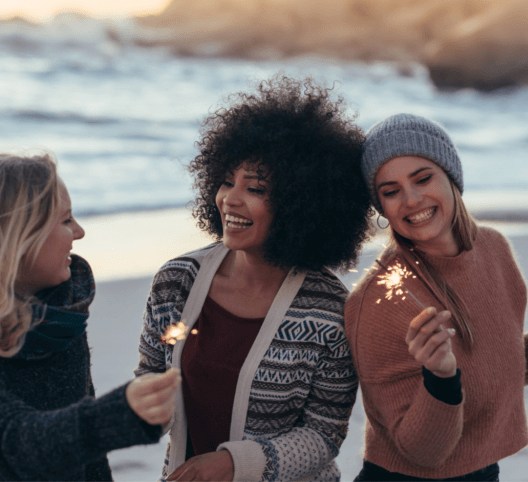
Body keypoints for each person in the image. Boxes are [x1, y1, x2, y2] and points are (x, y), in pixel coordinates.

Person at [345, 114, 528, 481]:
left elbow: (499, 370)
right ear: (381, 208)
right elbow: (421, 453)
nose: (412, 199)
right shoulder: (379, 299)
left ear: (451, 176)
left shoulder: (492, 249)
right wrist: (440, 378)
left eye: (423, 178)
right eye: (391, 191)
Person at [135, 75, 373, 482]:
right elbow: (150, 379)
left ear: (302, 203)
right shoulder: (176, 282)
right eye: (227, 181)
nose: (231, 198)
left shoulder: (330, 312)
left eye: (256, 188)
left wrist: (233, 465)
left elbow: (323, 435)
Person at [0, 153, 180, 481]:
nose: (78, 232)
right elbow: (9, 444)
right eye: (66, 220)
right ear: (18, 237)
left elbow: (87, 462)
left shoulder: (60, 316)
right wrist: (120, 413)